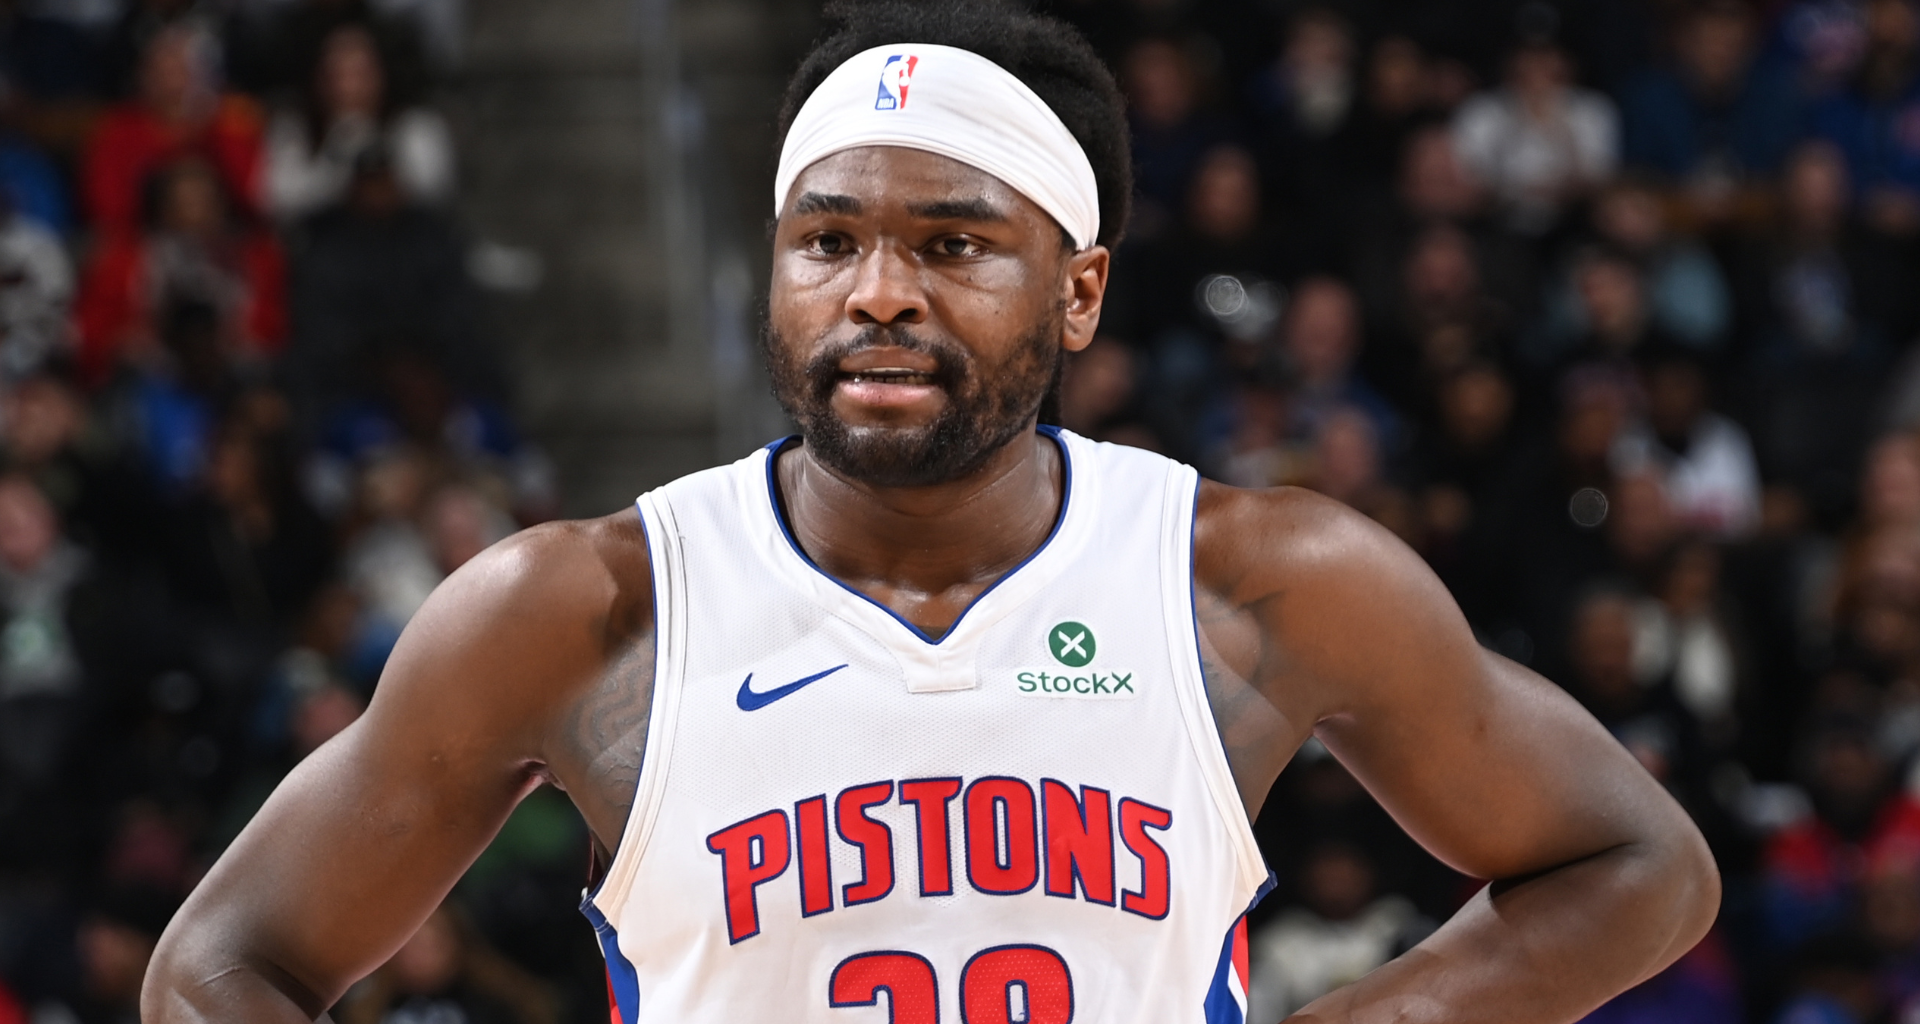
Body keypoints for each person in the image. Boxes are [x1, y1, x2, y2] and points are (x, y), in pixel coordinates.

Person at [143, 3, 1720, 1022]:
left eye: (954, 246)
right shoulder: (588, 610)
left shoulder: (1251, 583)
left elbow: (1638, 865)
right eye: (827, 241)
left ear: (1079, 292)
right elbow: (218, 969)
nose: (878, 293)